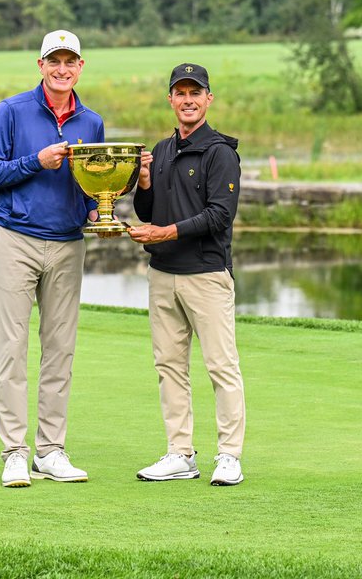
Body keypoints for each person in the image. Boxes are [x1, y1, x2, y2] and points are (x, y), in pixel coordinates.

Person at [0, 29, 105, 488]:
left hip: (68, 244)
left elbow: (91, 184)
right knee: (10, 348)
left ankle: (50, 451)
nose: (62, 69)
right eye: (55, 61)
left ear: (81, 67)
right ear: (41, 65)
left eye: (71, 61)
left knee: (60, 351)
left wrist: (96, 208)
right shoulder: (11, 112)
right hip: (15, 239)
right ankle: (14, 451)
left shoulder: (93, 123)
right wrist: (36, 161)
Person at [127, 63, 246, 486]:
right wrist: (143, 181)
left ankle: (229, 456)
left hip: (206, 274)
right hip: (162, 273)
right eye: (181, 92)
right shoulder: (159, 151)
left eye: (196, 92)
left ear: (209, 98)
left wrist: (165, 231)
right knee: (170, 367)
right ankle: (180, 453)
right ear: (171, 99)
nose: (188, 99)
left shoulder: (220, 152)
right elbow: (149, 212)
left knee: (221, 367)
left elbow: (219, 215)